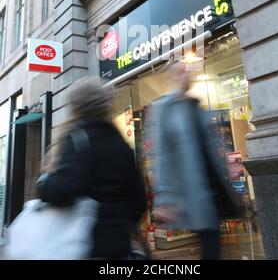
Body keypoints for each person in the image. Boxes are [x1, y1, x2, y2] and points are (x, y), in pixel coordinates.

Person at [36, 76, 147, 260]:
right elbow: (138, 201)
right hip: (119, 246)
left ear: (76, 108)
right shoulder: (121, 144)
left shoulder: (78, 139)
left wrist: (44, 184)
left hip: (84, 245)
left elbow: (65, 189)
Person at [146, 62, 239, 260]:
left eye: (186, 72)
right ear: (172, 78)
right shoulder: (165, 108)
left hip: (212, 189)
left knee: (212, 243)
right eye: (179, 73)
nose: (185, 76)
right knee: (210, 243)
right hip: (191, 192)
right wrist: (164, 198)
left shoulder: (197, 106)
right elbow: (161, 155)